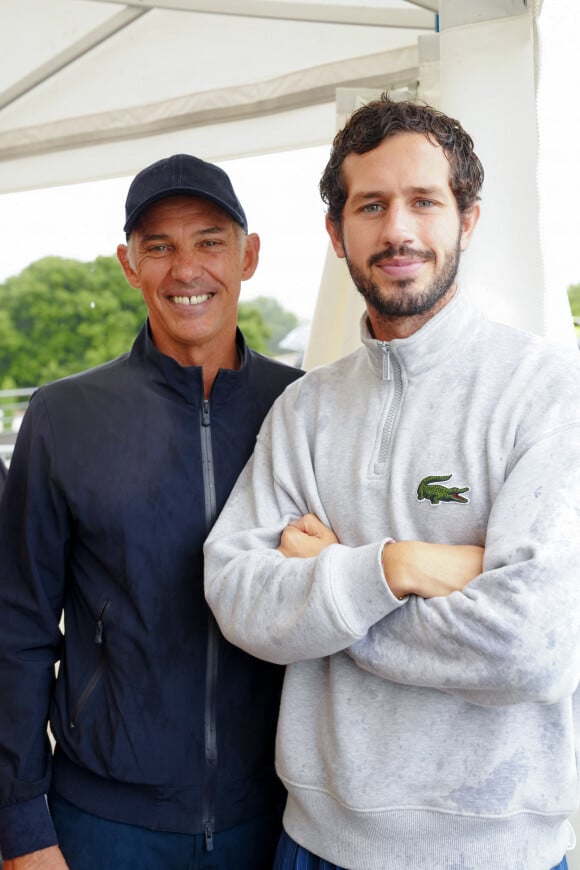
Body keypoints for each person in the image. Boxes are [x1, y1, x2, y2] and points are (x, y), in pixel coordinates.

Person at [204, 97, 580, 870]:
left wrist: (336, 585)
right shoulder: (304, 408)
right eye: (370, 206)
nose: (397, 230)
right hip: (314, 843)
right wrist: (399, 568)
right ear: (337, 233)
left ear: (467, 218)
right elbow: (236, 593)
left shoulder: (547, 393)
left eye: (424, 201)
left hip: (501, 851)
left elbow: (535, 646)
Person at [0, 154, 303, 869]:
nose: (186, 268)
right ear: (128, 265)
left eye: (209, 241)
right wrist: (20, 826)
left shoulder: (305, 409)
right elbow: (16, 627)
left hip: (278, 817)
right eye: (159, 246)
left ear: (249, 255)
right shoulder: (62, 416)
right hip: (103, 823)